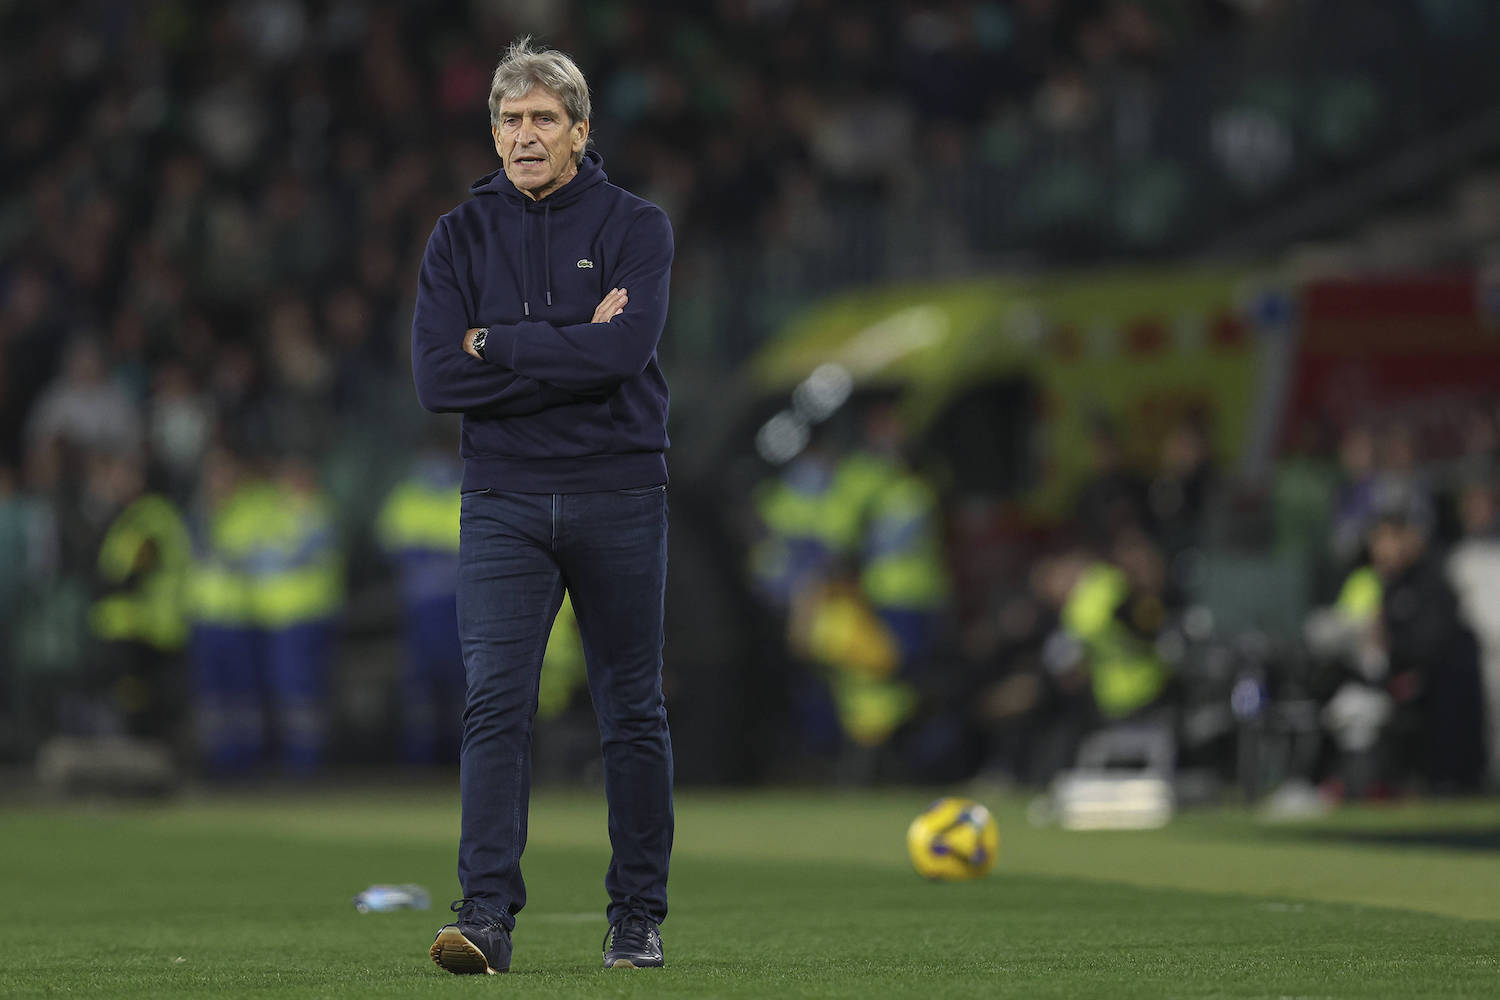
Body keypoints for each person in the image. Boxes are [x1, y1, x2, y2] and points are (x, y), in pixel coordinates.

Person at [410, 38, 675, 974]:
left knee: (631, 712)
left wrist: (496, 344)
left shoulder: (638, 226)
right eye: (511, 121)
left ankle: (636, 917)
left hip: (619, 492)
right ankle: (485, 919)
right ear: (493, 131)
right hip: (504, 502)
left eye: (543, 120)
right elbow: (437, 379)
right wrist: (563, 343)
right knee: (494, 705)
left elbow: (621, 355)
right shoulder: (458, 234)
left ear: (580, 131)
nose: (525, 136)